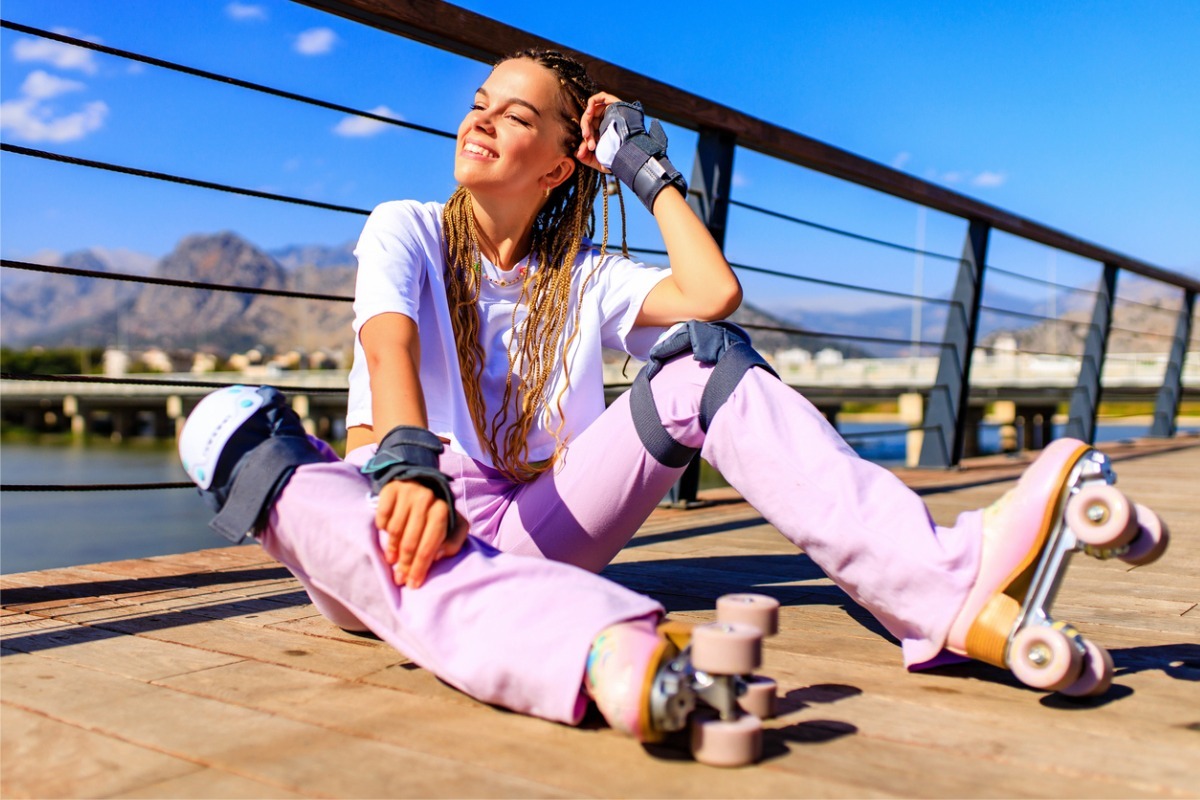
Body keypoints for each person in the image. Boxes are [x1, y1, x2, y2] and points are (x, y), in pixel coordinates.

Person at [180, 49, 1166, 761]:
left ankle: (939, 587)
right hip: (392, 530)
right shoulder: (404, 228)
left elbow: (710, 296)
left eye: (516, 116)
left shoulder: (587, 277)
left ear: (563, 162)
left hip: (532, 529)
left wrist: (647, 170)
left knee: (705, 361)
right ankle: (592, 643)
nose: (480, 119)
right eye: (480, 103)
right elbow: (386, 342)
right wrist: (404, 459)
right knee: (225, 421)